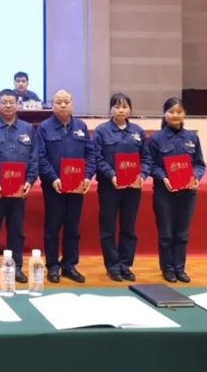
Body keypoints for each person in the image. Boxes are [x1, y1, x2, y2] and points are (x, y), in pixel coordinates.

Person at [36, 89, 96, 284]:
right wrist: (53, 178)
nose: (63, 105)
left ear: (72, 103)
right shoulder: (44, 128)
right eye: (58, 102)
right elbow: (40, 157)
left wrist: (87, 176)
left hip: (76, 186)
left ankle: (69, 264)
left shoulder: (81, 126)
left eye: (66, 102)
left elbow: (90, 154)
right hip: (54, 187)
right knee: (52, 228)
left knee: (72, 227)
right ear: (52, 105)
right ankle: (53, 266)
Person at [0, 89, 38, 285]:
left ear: (17, 105)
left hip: (19, 190)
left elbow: (34, 157)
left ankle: (16, 268)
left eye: (12, 102)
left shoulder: (28, 129)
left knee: (16, 231)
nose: (8, 105)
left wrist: (30, 181)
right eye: (4, 102)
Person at [93, 93, 152, 282]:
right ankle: (112, 265)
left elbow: (146, 158)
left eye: (124, 107)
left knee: (128, 227)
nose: (121, 110)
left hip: (132, 187)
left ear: (130, 110)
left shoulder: (138, 131)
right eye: (117, 107)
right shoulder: (101, 131)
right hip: (109, 186)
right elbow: (96, 157)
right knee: (108, 227)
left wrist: (142, 175)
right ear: (111, 109)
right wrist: (112, 175)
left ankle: (125, 264)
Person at [149, 97, 206, 283]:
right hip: (164, 193)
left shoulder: (192, 138)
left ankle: (179, 268)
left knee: (182, 234)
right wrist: (163, 177)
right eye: (171, 112)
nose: (175, 115)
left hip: (187, 193)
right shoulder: (156, 138)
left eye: (179, 112)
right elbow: (151, 165)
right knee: (166, 234)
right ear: (165, 114)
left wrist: (196, 177)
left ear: (184, 114)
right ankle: (167, 268)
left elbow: (199, 164)